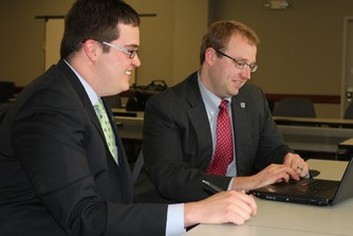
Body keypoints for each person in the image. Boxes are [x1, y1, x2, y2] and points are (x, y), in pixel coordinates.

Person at [0, 1, 257, 235]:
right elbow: (83, 216)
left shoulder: (88, 97)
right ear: (92, 49)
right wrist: (197, 211)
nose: (137, 61)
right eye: (130, 51)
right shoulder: (49, 106)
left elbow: (114, 196)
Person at [134, 20, 310, 203]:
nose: (247, 75)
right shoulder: (166, 107)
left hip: (238, 208)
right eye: (240, 63)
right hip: (184, 209)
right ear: (211, 56)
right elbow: (172, 178)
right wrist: (244, 183)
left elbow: (271, 148)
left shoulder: (252, 98)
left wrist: (288, 157)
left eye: (251, 66)